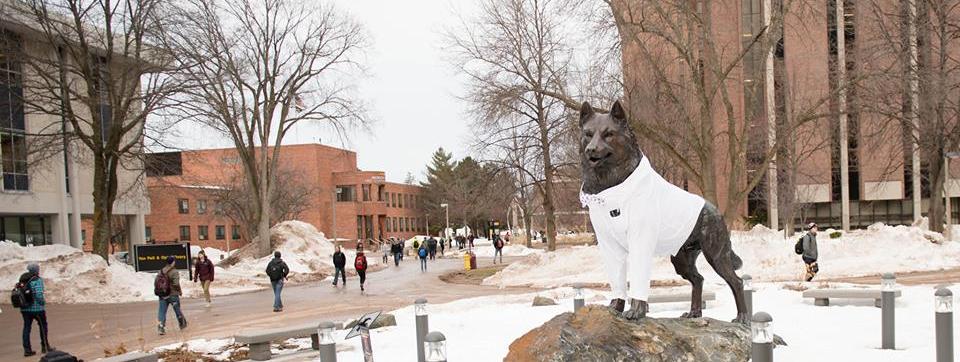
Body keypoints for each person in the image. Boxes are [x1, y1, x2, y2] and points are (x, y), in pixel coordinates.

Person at [20, 263, 52, 356]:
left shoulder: (23, 279)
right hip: (37, 308)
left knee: (26, 328)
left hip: (25, 309)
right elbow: (38, 294)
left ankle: (27, 350)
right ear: (36, 270)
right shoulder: (37, 280)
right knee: (43, 327)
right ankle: (45, 347)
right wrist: (42, 302)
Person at [158, 256, 187, 335]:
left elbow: (156, 282)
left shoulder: (161, 271)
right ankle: (182, 324)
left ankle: (161, 327)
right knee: (177, 310)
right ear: (173, 262)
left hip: (162, 295)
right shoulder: (174, 271)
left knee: (162, 312)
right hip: (173, 295)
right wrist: (179, 291)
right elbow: (176, 283)